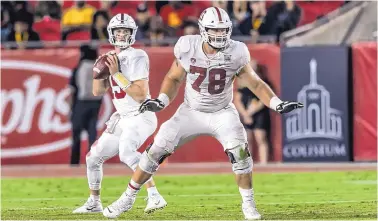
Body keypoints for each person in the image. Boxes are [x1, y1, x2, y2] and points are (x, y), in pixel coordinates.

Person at [103, 7, 303, 220]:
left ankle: (249, 205)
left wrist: (276, 103)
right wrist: (161, 100)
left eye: (223, 30)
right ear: (202, 30)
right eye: (214, 30)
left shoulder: (237, 50)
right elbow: (173, 78)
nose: (219, 35)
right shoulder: (188, 47)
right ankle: (127, 197)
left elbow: (255, 82)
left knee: (241, 154)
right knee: (155, 150)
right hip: (191, 111)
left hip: (222, 112)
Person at [73, 13, 167, 214]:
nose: (122, 35)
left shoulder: (137, 55)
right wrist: (99, 73)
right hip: (123, 118)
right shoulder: (111, 58)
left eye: (125, 31)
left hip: (141, 114)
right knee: (93, 158)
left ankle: (154, 196)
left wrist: (116, 73)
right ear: (111, 33)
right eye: (118, 31)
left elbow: (141, 95)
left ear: (132, 33)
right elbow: (97, 92)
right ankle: (94, 202)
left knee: (126, 153)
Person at [68, 44, 102, 165]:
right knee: (92, 133)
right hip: (96, 102)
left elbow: (72, 90)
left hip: (81, 103)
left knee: (76, 133)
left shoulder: (79, 68)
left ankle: (74, 162)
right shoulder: (99, 67)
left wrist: (70, 108)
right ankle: (92, 162)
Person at [234, 62, 272, 164]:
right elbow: (237, 100)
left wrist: (251, 111)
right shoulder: (242, 83)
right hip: (246, 113)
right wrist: (245, 114)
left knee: (261, 137)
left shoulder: (263, 83)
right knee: (247, 139)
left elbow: (264, 100)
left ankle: (264, 164)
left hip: (259, 114)